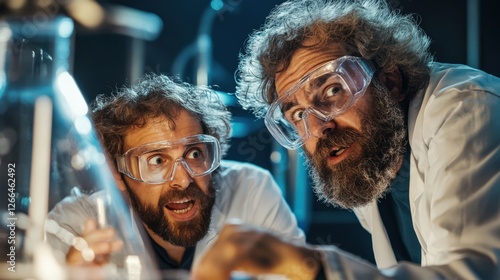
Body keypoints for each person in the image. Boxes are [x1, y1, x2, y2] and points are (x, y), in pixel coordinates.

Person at [192, 0, 500, 279]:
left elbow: (475, 273)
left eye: (332, 90)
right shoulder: (372, 160)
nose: (318, 127)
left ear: (390, 81)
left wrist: (311, 266)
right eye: (297, 115)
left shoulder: (464, 108)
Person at [45, 74, 305, 272]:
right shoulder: (73, 226)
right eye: (157, 160)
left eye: (194, 154)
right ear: (116, 173)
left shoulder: (252, 190)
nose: (183, 179)